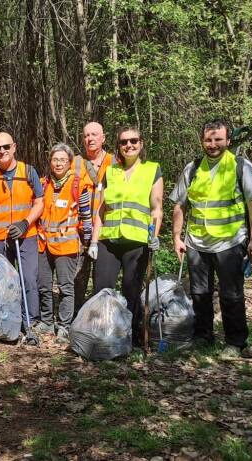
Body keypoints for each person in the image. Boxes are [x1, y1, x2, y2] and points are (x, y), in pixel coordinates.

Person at [170, 119, 252, 359]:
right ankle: (203, 337)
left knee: (231, 294)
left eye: (218, 140)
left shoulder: (240, 166)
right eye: (208, 140)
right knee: (200, 293)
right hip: (197, 243)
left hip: (230, 242)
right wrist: (177, 237)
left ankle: (235, 342)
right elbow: (180, 205)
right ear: (202, 140)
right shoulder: (192, 168)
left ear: (228, 140)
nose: (213, 144)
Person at [93, 127, 163, 348]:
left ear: (141, 143)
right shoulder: (110, 171)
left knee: (131, 291)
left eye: (134, 141)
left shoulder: (152, 170)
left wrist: (155, 235)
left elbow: (156, 208)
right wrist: (95, 241)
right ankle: (103, 334)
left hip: (137, 241)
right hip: (109, 241)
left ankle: (128, 338)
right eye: (124, 142)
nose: (129, 145)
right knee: (102, 288)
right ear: (118, 146)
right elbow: (101, 211)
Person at [0, 132, 44, 333]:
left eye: (6, 147)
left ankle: (31, 321)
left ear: (14, 147)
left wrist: (25, 223)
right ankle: (5, 320)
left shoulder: (29, 171)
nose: (2, 151)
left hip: (26, 236)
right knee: (1, 282)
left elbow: (40, 202)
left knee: (28, 279)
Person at [36, 143, 99, 343]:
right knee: (44, 286)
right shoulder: (43, 183)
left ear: (69, 162)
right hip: (44, 245)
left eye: (63, 159)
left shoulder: (77, 185)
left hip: (67, 245)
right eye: (55, 159)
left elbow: (86, 217)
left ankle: (64, 325)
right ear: (50, 161)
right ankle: (46, 321)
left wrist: (88, 242)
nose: (58, 163)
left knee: (65, 287)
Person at [73, 122, 116, 314]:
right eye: (86, 135)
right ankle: (75, 318)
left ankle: (101, 317)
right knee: (77, 279)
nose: (90, 139)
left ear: (103, 138)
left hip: (105, 230)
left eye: (94, 135)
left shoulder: (115, 162)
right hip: (79, 231)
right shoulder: (75, 162)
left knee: (103, 279)